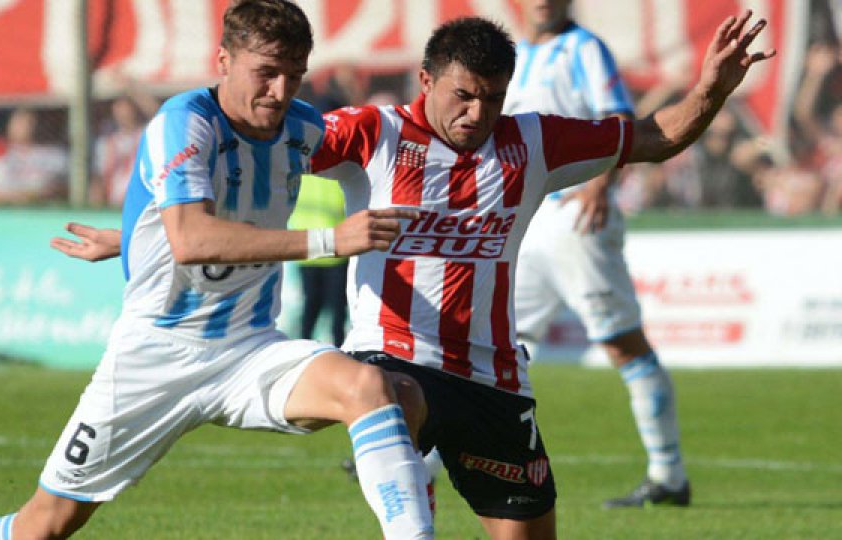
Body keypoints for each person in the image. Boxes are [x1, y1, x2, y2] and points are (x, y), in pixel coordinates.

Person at [54, 11, 774, 539]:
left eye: (493, 97)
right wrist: (135, 242)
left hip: (494, 381)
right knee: (384, 393)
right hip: (395, 357)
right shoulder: (370, 132)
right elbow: (251, 179)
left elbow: (657, 136)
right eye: (463, 94)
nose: (477, 112)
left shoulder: (534, 141)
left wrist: (711, 88)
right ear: (427, 79)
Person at [0, 1, 434, 539]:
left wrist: (134, 239)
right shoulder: (184, 123)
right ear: (223, 60)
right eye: (266, 73)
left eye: (294, 75)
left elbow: (225, 213)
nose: (281, 91)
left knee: (383, 391)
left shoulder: (305, 129)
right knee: (44, 527)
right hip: (156, 354)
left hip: (249, 349)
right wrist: (332, 239)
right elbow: (192, 240)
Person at [502, 0, 690, 508]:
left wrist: (601, 184)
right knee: (504, 343)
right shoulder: (514, 53)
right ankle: (431, 456)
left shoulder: (583, 48)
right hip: (530, 221)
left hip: (575, 217)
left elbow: (620, 119)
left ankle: (669, 475)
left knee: (621, 343)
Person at [288, 173, 350, 345]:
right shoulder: (340, 171)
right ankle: (338, 352)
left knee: (313, 307)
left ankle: (304, 350)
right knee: (335, 310)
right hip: (331, 248)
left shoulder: (300, 171)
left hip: (314, 247)